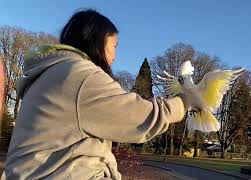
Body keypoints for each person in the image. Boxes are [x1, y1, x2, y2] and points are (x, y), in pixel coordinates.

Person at [1, 9, 199, 179]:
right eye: (114, 46)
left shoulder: (52, 74)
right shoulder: (79, 75)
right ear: (97, 41)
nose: (114, 56)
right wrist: (183, 102)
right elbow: (138, 117)